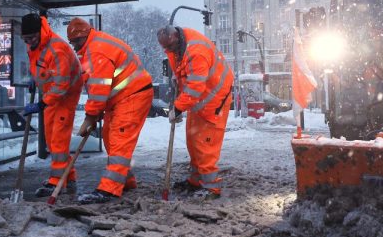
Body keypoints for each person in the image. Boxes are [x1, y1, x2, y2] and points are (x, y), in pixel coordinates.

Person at [66, 17, 154, 204]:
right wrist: (94, 113)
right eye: (71, 43)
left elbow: (99, 89)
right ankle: (125, 181)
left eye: (75, 42)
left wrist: (90, 117)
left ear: (84, 36)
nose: (74, 47)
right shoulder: (93, 47)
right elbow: (100, 88)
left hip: (133, 96)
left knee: (119, 140)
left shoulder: (97, 51)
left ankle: (109, 189)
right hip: (121, 98)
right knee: (110, 138)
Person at [157, 25, 234, 200]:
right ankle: (196, 180)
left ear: (176, 39)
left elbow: (195, 88)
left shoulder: (196, 51)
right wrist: (178, 77)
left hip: (214, 100)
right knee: (193, 141)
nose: (168, 51)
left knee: (205, 144)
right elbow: (186, 74)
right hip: (200, 101)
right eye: (166, 48)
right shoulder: (179, 46)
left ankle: (211, 188)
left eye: (170, 47)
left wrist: (177, 108)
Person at [20, 13, 84, 197]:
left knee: (58, 139)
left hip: (66, 96)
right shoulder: (35, 45)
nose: (29, 41)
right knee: (50, 138)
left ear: (40, 32)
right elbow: (41, 68)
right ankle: (69, 176)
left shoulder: (57, 49)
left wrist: (41, 104)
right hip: (51, 94)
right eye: (25, 39)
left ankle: (56, 182)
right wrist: (36, 80)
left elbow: (62, 84)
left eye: (31, 37)